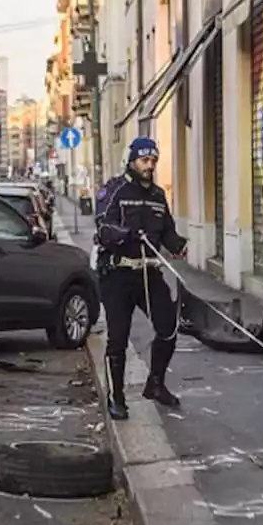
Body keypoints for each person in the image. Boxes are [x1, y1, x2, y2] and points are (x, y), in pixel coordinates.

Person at [94, 137, 188, 421]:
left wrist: (179, 246)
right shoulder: (115, 189)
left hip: (148, 273)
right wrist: (126, 234)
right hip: (118, 274)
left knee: (169, 327)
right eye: (145, 160)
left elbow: (168, 231)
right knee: (118, 339)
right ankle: (117, 398)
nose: (150, 166)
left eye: (153, 161)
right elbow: (103, 228)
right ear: (133, 160)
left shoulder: (158, 196)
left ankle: (156, 384)